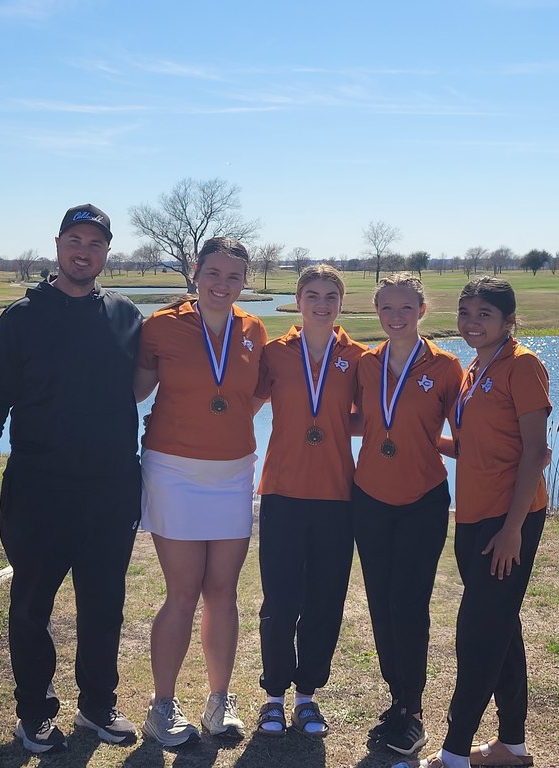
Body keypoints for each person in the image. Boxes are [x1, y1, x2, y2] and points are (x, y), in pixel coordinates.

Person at [0, 204, 143, 755]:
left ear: (106, 253)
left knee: (103, 603)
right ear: (58, 245)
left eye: (94, 242)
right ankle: (35, 714)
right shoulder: (23, 317)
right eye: (74, 239)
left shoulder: (126, 316)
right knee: (32, 604)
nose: (83, 250)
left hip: (110, 488)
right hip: (39, 487)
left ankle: (97, 705)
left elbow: (155, 382)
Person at [395, 275, 551, 768]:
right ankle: (511, 746)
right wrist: (416, 436)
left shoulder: (522, 366)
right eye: (466, 313)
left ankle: (455, 753)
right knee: (502, 627)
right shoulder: (473, 372)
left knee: (478, 633)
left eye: (484, 314)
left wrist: (510, 530)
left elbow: (534, 454)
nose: (472, 323)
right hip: (472, 516)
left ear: (508, 320)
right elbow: (468, 446)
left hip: (510, 521)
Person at [133, 236, 268, 747]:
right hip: (174, 471)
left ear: (244, 281)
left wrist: (224, 425)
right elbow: (135, 389)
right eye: (214, 272)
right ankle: (162, 705)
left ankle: (219, 700)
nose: (223, 284)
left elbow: (253, 394)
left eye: (234, 276)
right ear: (196, 270)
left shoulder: (253, 329)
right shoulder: (161, 327)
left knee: (223, 593)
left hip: (233, 474)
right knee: (183, 592)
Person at [252, 265, 368, 737]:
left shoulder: (359, 356)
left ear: (341, 303)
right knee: (280, 600)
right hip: (282, 492)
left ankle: (306, 696)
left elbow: (367, 419)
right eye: (313, 295)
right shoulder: (274, 354)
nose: (322, 304)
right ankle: (274, 696)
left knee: (325, 601)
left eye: (331, 296)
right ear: (298, 300)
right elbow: (243, 403)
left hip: (338, 497)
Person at [353, 272, 464, 757]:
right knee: (380, 600)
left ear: (421, 310)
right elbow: (358, 418)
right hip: (370, 495)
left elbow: (463, 437)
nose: (395, 318)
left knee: (409, 602)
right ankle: (396, 700)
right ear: (377, 313)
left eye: (405, 308)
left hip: (422, 498)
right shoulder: (364, 362)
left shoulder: (446, 366)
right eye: (386, 309)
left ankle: (413, 711)